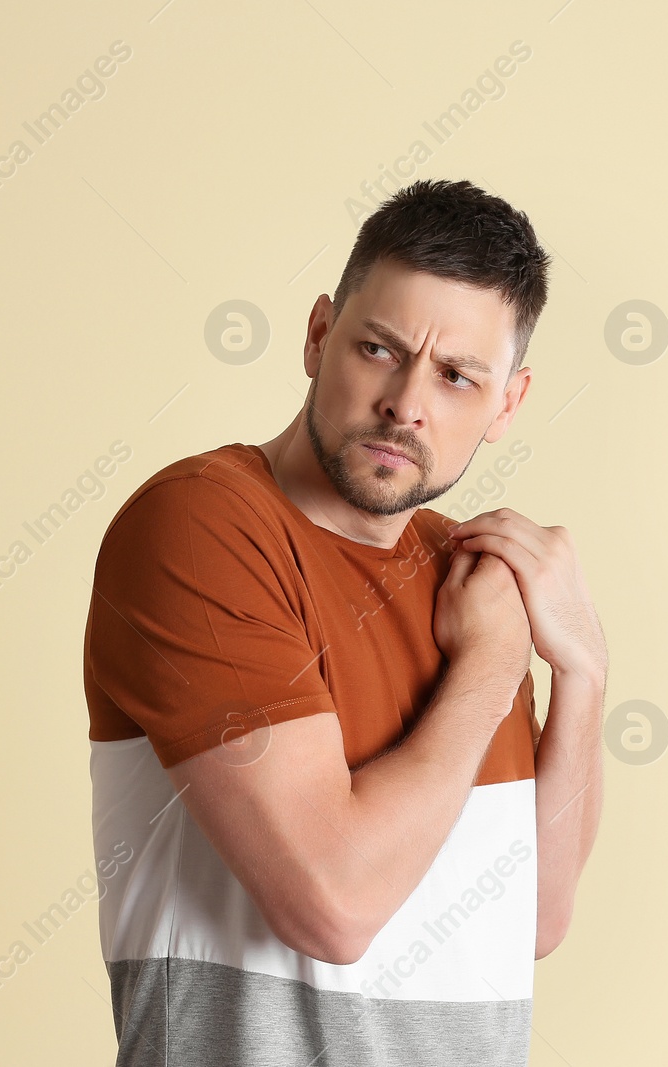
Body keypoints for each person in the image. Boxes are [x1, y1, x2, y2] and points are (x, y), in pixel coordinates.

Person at [82, 177, 607, 1066]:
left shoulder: (471, 578)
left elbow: (537, 915)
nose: (407, 402)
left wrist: (583, 673)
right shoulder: (203, 527)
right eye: (378, 348)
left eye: (455, 376)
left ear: (506, 404)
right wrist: (489, 659)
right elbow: (333, 904)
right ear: (320, 335)